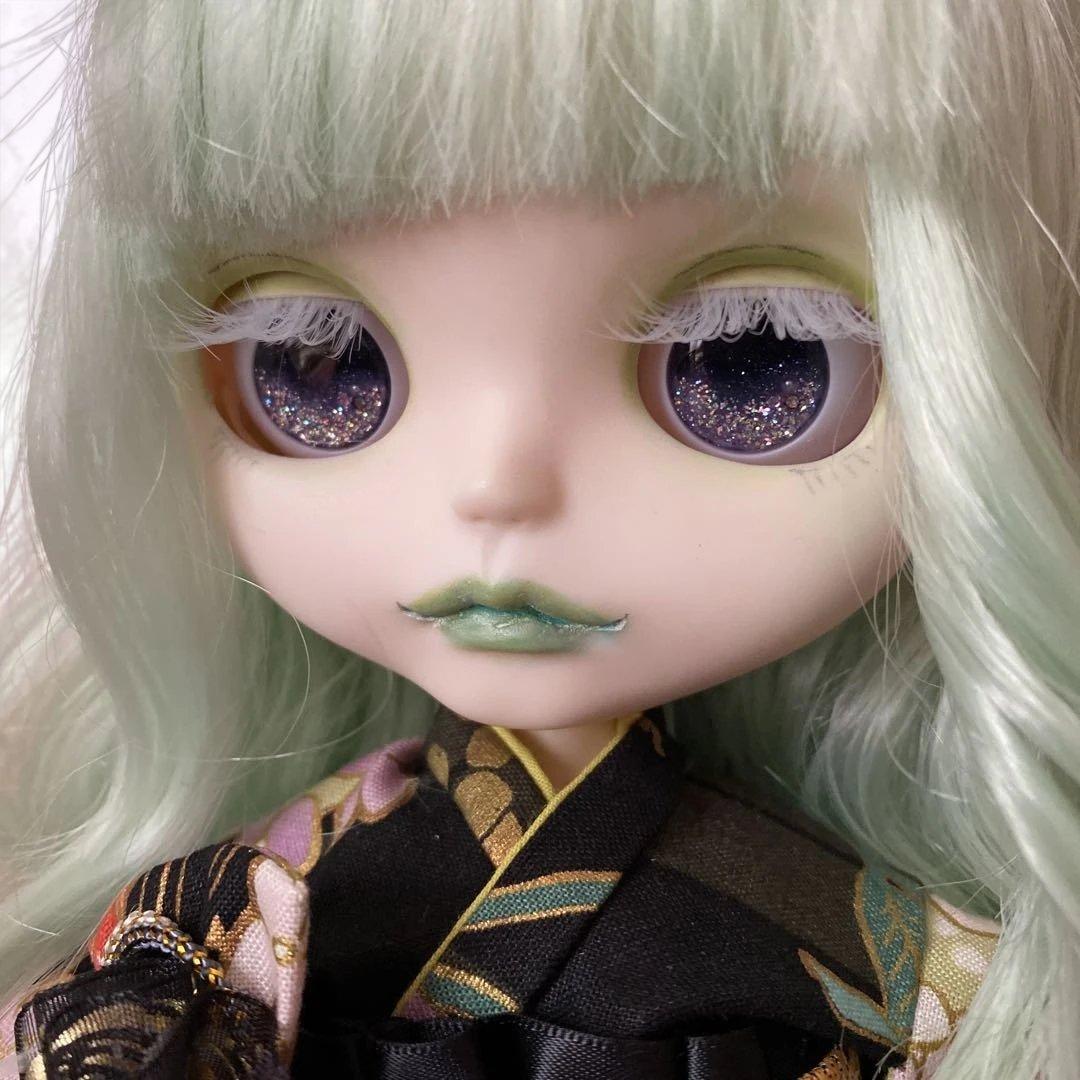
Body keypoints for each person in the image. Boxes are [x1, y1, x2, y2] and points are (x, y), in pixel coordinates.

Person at [0, 1, 1077, 1076]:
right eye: (319, 362)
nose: (495, 488)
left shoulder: (921, 979)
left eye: (748, 360)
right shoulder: (202, 923)